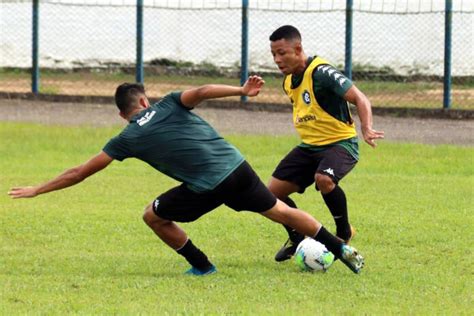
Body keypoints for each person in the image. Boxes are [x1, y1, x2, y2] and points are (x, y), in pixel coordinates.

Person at [8, 76, 364, 275]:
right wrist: (241, 90)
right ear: (145, 100)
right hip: (238, 165)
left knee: (153, 215)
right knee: (281, 211)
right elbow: (205, 92)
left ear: (123, 114)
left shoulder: (126, 137)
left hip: (210, 185)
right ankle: (342, 248)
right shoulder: (170, 101)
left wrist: (39, 189)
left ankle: (202, 266)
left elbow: (80, 172)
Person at [268, 25, 384, 262]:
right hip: (309, 147)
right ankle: (296, 235)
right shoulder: (289, 81)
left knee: (325, 180)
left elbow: (360, 98)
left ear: (298, 48)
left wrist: (367, 127)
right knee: (268, 196)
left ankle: (344, 232)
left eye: (282, 53)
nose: (277, 60)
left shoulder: (321, 72)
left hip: (340, 143)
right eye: (273, 55)